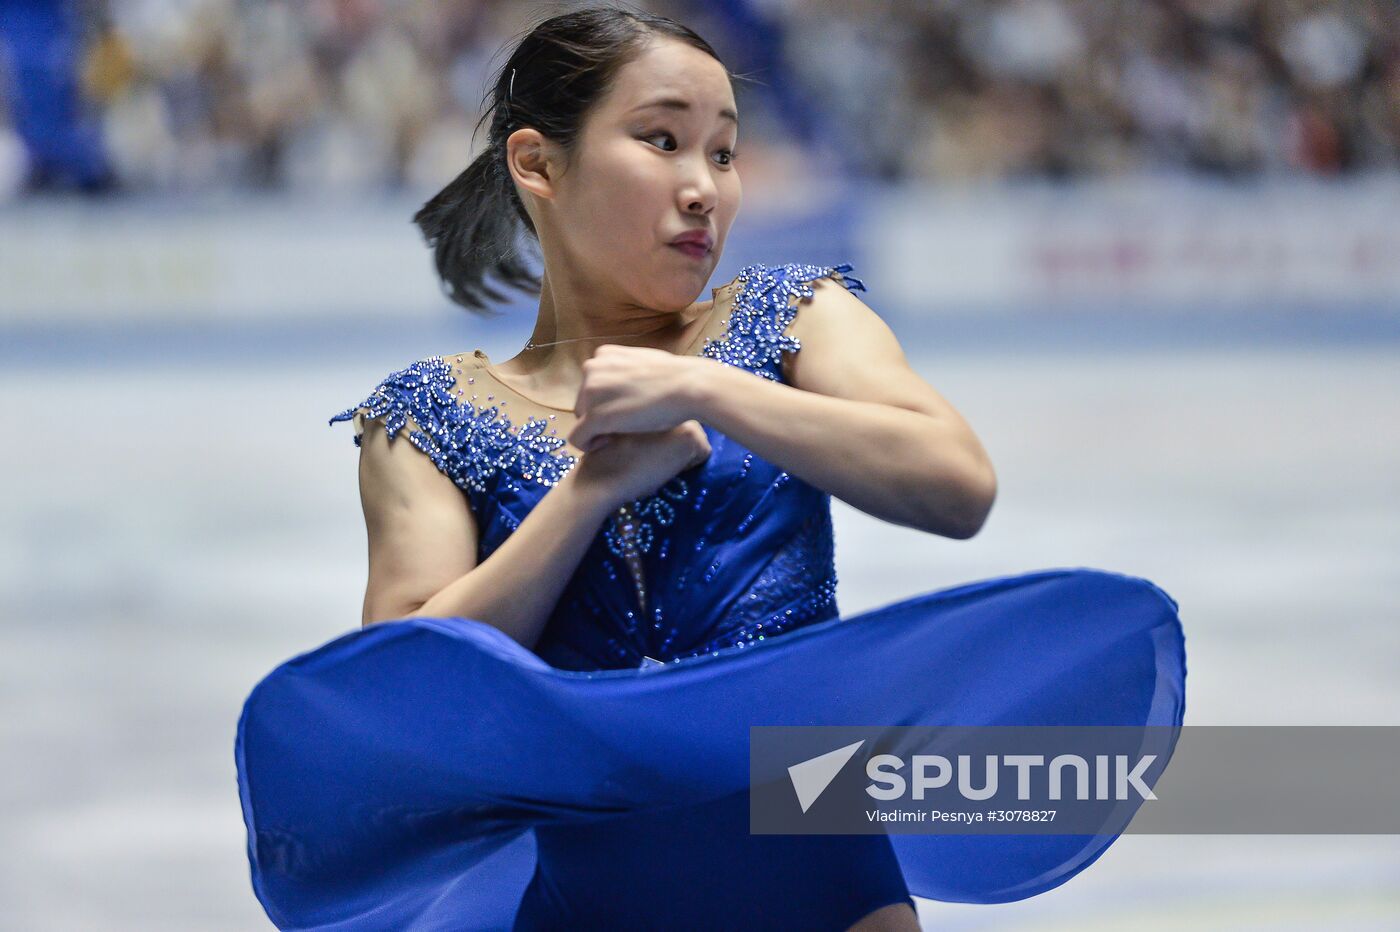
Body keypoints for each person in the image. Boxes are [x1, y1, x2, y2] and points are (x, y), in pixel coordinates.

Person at [234, 6, 1186, 930]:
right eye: (662, 140)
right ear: (537, 163)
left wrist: (710, 391)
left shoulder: (790, 317)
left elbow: (956, 483)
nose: (705, 188)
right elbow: (407, 694)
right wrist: (588, 493)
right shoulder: (428, 419)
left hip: (825, 881)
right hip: (590, 902)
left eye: (723, 153)